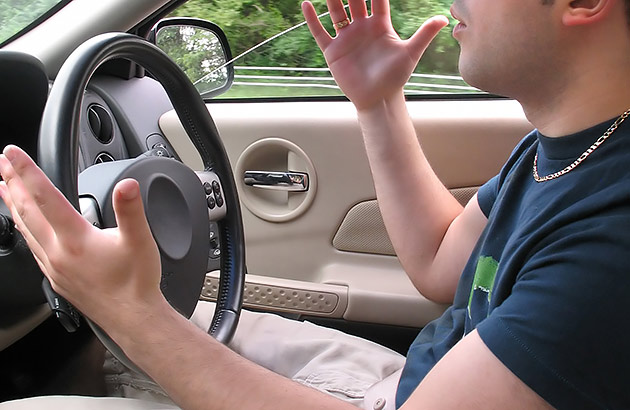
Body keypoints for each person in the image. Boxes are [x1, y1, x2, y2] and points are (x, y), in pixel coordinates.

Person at [1, 0, 630, 408]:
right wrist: (378, 103)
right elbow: (441, 261)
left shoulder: (612, 242)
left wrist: (125, 307)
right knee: (104, 351)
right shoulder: (564, 149)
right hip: (418, 383)